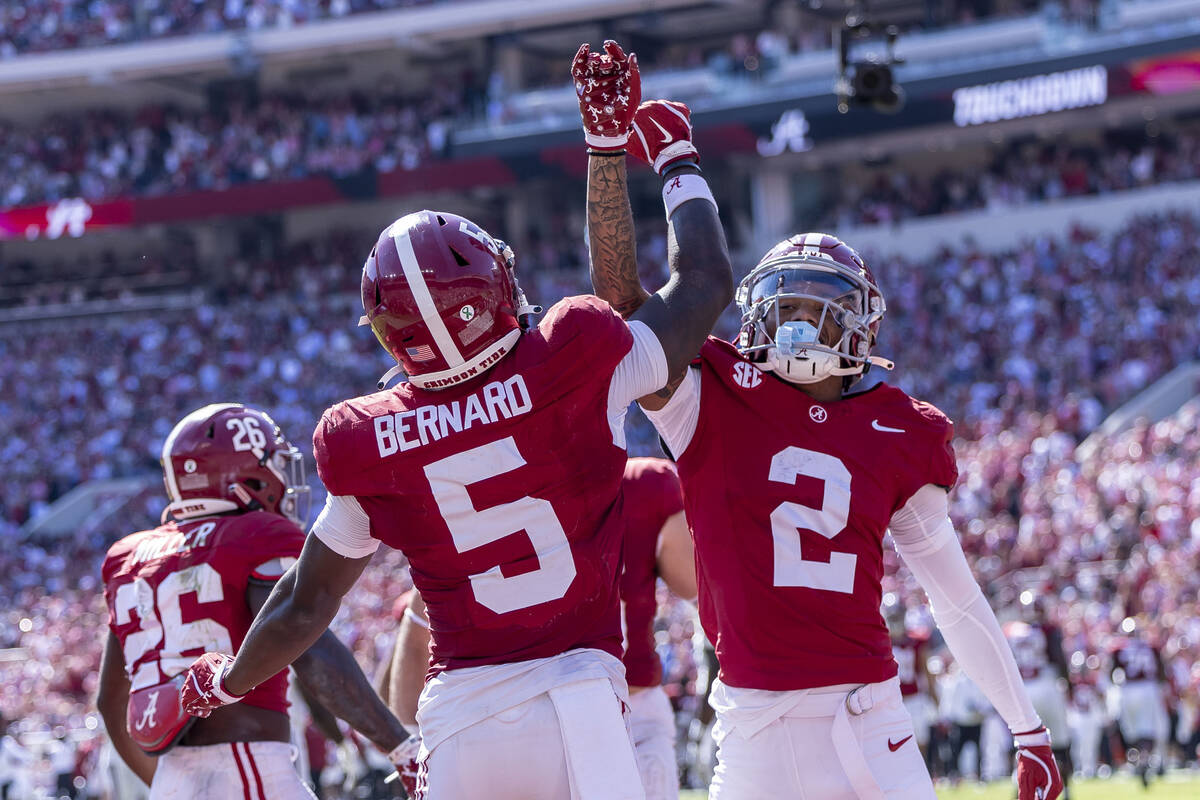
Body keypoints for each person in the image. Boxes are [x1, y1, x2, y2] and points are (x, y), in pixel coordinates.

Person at [179, 39, 733, 798]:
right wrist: (670, 161)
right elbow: (702, 282)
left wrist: (227, 680)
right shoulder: (570, 352)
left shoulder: (363, 434)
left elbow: (307, 604)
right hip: (582, 695)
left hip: (463, 717)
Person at [581, 42, 1063, 800]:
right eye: (787, 309)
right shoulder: (709, 389)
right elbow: (626, 310)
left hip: (870, 714)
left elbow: (953, 594)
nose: (800, 328)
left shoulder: (904, 428)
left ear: (859, 325)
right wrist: (626, 160)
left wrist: (1027, 726)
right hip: (753, 722)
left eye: (819, 310)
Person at [98, 404, 409, 798]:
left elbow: (111, 704)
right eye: (272, 464)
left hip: (171, 782)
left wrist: (166, 784)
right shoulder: (258, 532)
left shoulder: (126, 557)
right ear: (242, 472)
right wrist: (398, 743)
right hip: (250, 766)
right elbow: (306, 643)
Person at [384, 457, 696, 799]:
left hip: (546, 719)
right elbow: (693, 583)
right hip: (530, 719)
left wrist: (414, 743)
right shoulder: (645, 484)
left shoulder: (643, 485)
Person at [1109, 624, 1169, 787]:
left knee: (1133, 730)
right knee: (1148, 729)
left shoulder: (1119, 649)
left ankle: (1138, 757)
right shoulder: (1150, 647)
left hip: (1128, 689)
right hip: (1148, 688)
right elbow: (1161, 670)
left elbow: (1112, 672)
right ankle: (1144, 757)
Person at [885, 599, 938, 766]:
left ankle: (921, 773)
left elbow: (924, 668)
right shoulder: (882, 640)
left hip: (914, 698)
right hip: (890, 700)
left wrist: (933, 693)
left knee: (920, 740)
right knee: (890, 742)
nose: (895, 621)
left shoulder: (916, 640)